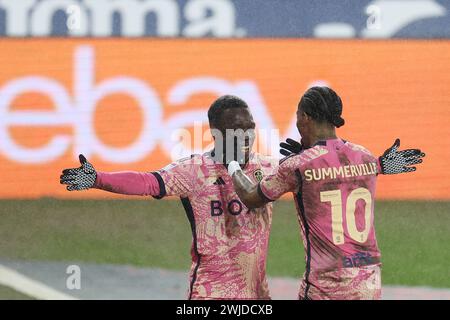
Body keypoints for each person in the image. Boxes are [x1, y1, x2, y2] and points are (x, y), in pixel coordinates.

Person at [60, 93, 424, 300]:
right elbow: (147, 182)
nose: (246, 133)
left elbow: (330, 176)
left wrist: (376, 164)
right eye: (237, 128)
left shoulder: (269, 167)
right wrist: (98, 178)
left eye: (250, 126)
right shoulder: (194, 170)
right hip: (211, 295)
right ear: (216, 132)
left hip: (257, 294)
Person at [228, 87, 425, 300]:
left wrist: (231, 162)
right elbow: (355, 167)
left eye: (297, 115)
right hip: (368, 284)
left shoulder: (297, 166)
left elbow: (250, 197)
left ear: (305, 117)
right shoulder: (365, 156)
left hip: (326, 287)